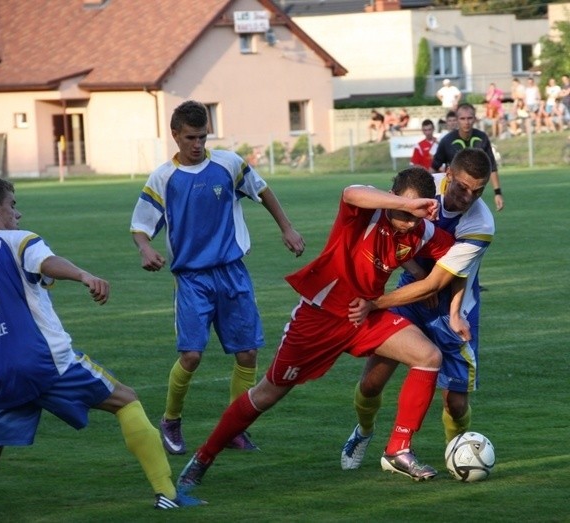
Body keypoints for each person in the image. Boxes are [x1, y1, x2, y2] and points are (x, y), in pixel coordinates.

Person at [176, 167, 458, 491]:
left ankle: (398, 449)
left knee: (428, 356)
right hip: (318, 318)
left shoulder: (420, 232)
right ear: (392, 196)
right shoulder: (366, 213)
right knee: (267, 394)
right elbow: (351, 192)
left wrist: (451, 289)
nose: (408, 221)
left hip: (363, 315)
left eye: (414, 214)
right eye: (402, 211)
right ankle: (203, 457)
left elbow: (457, 256)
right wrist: (407, 205)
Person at [0, 176, 203, 510]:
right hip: (42, 360)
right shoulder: (17, 241)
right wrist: (84, 275)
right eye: (13, 205)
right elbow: (45, 261)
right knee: (126, 400)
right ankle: (169, 495)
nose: (17, 214)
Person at [130, 100, 305, 456]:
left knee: (247, 353)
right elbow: (140, 226)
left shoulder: (228, 164)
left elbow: (263, 190)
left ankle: (235, 428)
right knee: (192, 356)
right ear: (175, 135)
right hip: (193, 279)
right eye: (191, 137)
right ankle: (171, 419)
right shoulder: (163, 178)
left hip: (232, 273)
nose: (198, 144)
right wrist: (145, 249)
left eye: (203, 137)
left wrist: (287, 227)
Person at [341, 148, 495, 472]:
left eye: (478, 191)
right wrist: (414, 269)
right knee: (371, 382)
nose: (469, 197)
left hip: (452, 307)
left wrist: (374, 304)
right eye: (463, 187)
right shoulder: (424, 190)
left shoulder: (481, 223)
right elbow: (395, 227)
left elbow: (437, 283)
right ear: (448, 175)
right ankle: (363, 431)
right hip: (409, 297)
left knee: (455, 403)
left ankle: (458, 454)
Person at [431, 103, 504, 212]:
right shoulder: (447, 140)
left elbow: (492, 166)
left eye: (470, 118)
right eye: (462, 118)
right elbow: (434, 166)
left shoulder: (482, 138)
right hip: (452, 192)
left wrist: (497, 193)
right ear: (457, 119)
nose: (466, 122)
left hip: (473, 191)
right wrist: (428, 191)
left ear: (475, 119)